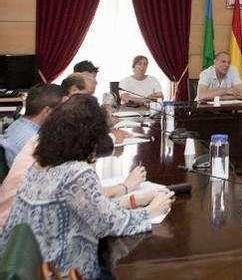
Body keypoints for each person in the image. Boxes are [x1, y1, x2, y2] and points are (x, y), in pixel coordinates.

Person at [0, 95, 175, 279]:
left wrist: (133, 200)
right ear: (90, 137)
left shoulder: (40, 165)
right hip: (64, 272)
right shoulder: (77, 172)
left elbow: (92, 210)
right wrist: (151, 211)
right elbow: (109, 224)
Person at [0, 84, 64, 167]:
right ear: (48, 111)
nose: (66, 114)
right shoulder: (34, 142)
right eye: (63, 110)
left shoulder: (17, 124)